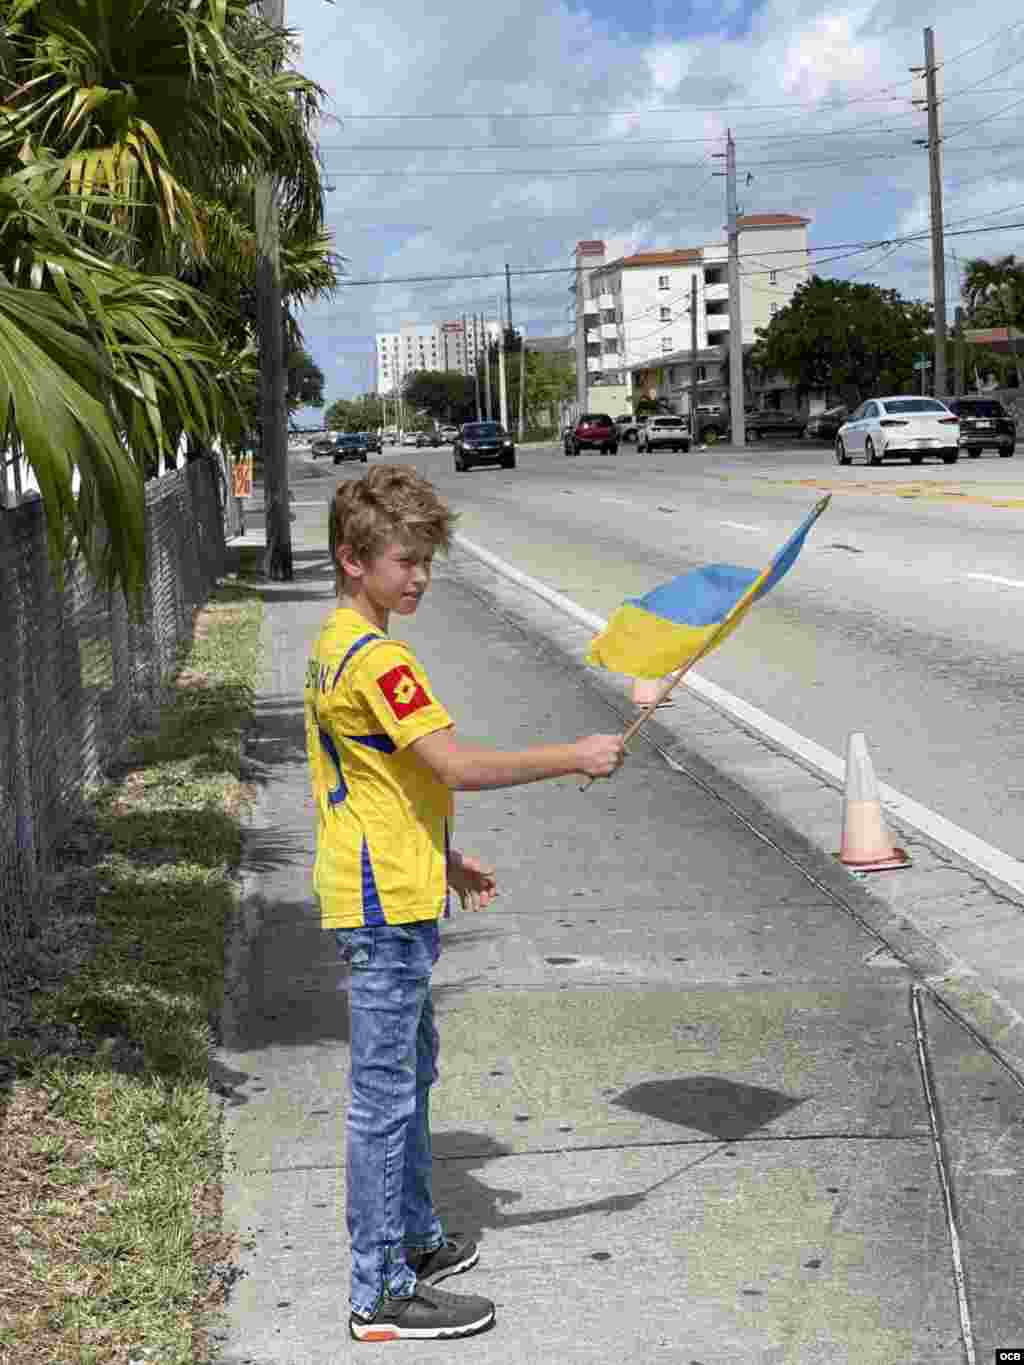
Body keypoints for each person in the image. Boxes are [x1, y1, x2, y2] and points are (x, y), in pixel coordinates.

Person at [305, 465, 625, 1343]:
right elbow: (453, 765)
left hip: (395, 885)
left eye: (426, 561)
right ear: (353, 559)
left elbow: (376, 778)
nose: (420, 578)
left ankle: (414, 1239)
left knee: (409, 1077)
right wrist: (575, 754)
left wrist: (440, 857)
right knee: (384, 1097)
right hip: (382, 905)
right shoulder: (379, 658)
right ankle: (379, 1292)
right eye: (406, 562)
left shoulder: (334, 640)